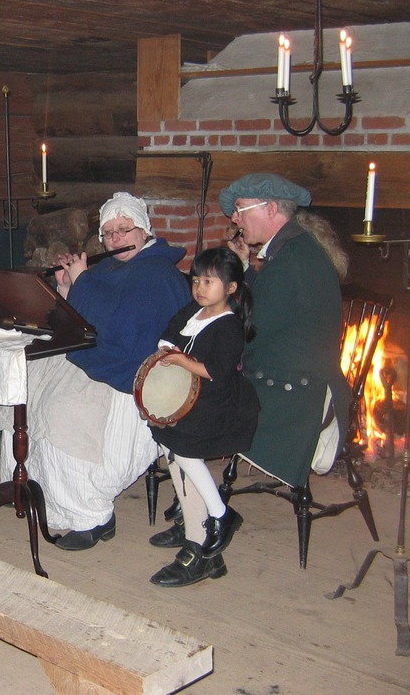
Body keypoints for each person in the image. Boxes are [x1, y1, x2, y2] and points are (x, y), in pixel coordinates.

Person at [0, 192, 190, 550]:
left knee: (64, 413)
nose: (116, 238)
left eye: (124, 229)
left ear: (144, 231)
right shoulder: (111, 268)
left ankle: (92, 517)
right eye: (109, 232)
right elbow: (85, 319)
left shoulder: (158, 274)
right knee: (24, 386)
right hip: (94, 355)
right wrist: (69, 289)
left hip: (130, 370)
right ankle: (31, 485)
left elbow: (125, 332)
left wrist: (84, 283)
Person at [221, 172, 350, 492]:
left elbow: (251, 330)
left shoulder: (291, 261)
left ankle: (207, 515)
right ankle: (200, 506)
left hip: (295, 396)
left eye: (240, 208)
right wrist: (246, 268)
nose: (235, 219)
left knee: (197, 406)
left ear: (270, 209)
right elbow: (264, 310)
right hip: (287, 377)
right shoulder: (294, 249)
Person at [146, 247, 259, 587]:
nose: (200, 287)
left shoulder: (228, 326)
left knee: (185, 451)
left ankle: (221, 514)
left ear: (231, 288)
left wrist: (182, 362)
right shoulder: (194, 310)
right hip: (191, 398)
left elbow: (217, 371)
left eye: (210, 281)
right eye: (196, 279)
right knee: (170, 444)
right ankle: (188, 516)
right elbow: (169, 332)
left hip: (218, 403)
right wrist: (168, 350)